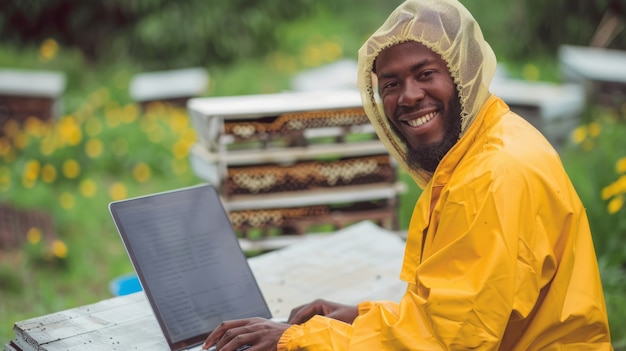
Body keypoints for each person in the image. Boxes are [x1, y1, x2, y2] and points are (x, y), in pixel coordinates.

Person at [203, 0, 613, 349]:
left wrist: (295, 339)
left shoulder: (491, 176)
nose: (409, 96)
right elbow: (455, 306)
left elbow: (446, 340)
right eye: (391, 84)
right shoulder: (486, 143)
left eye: (425, 74)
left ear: (462, 72)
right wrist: (356, 317)